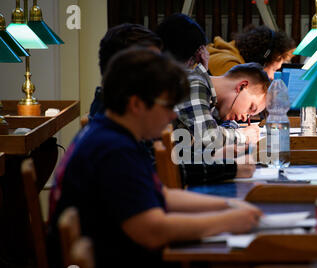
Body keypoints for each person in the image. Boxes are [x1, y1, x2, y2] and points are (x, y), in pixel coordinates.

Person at [47, 48, 263, 268]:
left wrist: (229, 205)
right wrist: (228, 221)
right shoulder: (113, 150)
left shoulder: (115, 134)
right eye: (168, 105)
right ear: (137, 104)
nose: (173, 114)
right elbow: (152, 230)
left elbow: (164, 195)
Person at [89, 23, 254, 184]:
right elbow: (160, 174)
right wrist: (230, 168)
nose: (163, 75)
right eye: (155, 68)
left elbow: (162, 161)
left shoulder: (117, 111)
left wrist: (211, 157)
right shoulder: (114, 131)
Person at [174, 62, 270, 158]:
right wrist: (244, 136)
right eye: (250, 108)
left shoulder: (211, 101)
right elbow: (210, 137)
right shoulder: (194, 85)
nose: (245, 118)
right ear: (241, 86)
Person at [208, 25, 296, 80]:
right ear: (261, 61)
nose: (272, 77)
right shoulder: (229, 67)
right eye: (274, 69)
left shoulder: (229, 51)